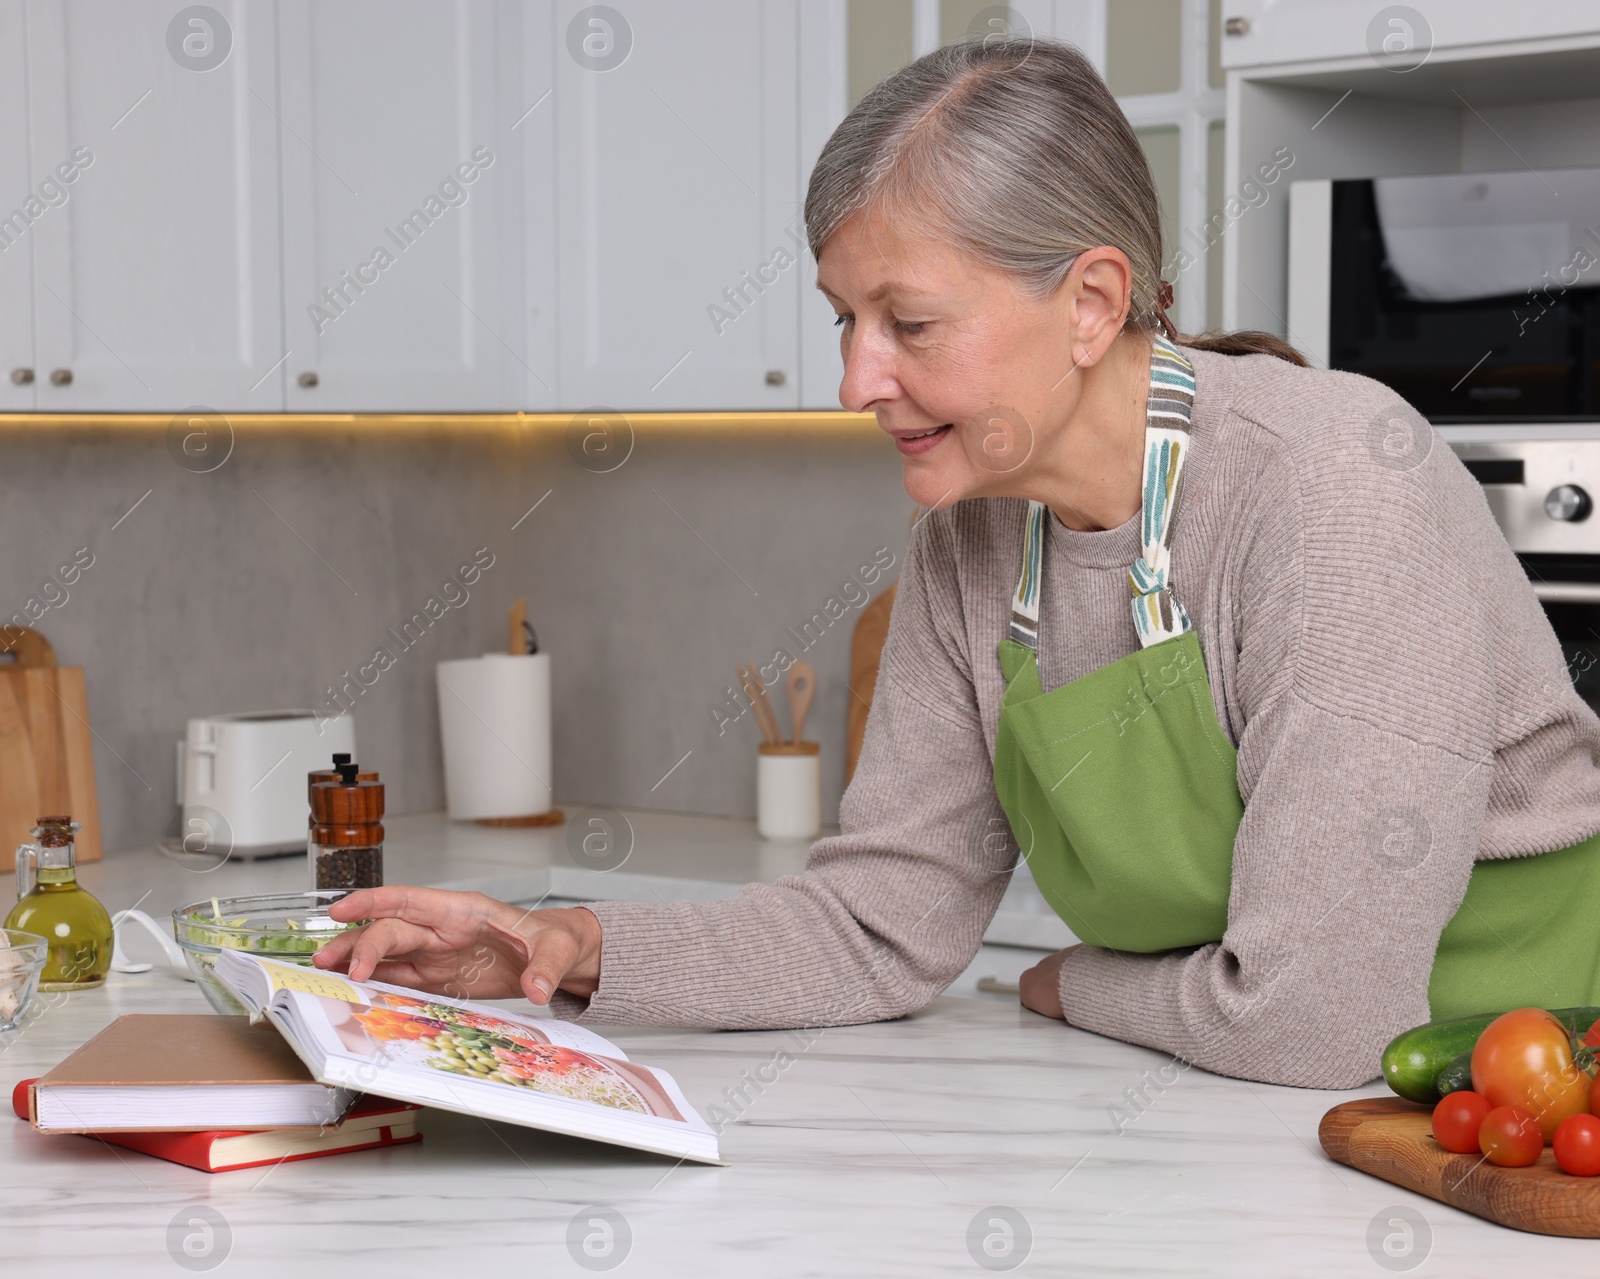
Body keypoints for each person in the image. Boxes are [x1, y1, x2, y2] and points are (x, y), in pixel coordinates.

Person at [313, 37, 1600, 1090]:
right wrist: (564, 947)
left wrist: (1071, 981)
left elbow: (1315, 1021)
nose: (851, 382)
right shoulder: (975, 535)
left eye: (908, 322)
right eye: (844, 320)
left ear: (1093, 303)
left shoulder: (1333, 493)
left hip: (1501, 1103)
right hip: (1227, 1095)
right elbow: (879, 925)